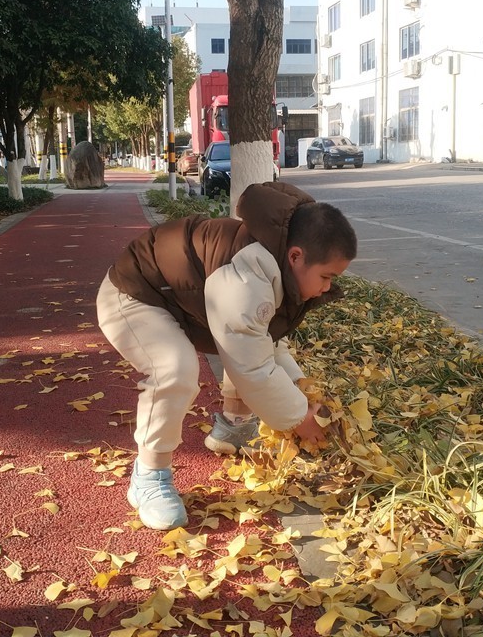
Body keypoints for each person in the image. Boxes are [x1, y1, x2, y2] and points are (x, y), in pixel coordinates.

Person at [96, 181, 357, 530]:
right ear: (295, 256)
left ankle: (234, 429)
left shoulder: (275, 264)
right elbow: (251, 364)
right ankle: (150, 476)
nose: (328, 288)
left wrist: (302, 391)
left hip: (176, 299)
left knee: (244, 341)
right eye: (326, 277)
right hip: (133, 295)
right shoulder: (248, 279)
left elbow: (264, 341)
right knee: (174, 370)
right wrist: (299, 417)